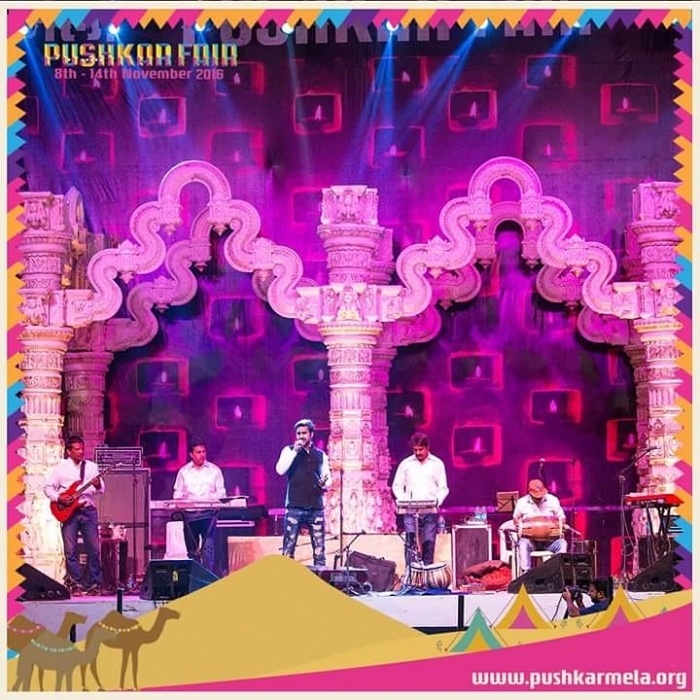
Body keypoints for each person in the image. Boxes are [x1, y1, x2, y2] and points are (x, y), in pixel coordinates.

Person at [43, 435, 104, 596]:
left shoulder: (91, 467)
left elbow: (101, 489)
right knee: (70, 550)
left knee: (93, 549)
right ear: (69, 451)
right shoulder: (60, 468)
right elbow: (48, 488)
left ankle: (95, 584)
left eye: (82, 449)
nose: (81, 452)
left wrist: (98, 484)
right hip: (69, 512)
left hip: (88, 511)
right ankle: (76, 584)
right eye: (77, 449)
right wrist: (59, 498)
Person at [275, 418, 331, 566]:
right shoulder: (288, 451)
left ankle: (319, 579)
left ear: (311, 434)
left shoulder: (320, 455)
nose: (301, 436)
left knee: (319, 552)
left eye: (304, 433)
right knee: (288, 551)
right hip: (294, 507)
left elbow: (328, 478)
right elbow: (280, 470)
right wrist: (295, 451)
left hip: (315, 508)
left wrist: (324, 483)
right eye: (298, 433)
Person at [391, 432, 449, 567]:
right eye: (415, 450)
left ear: (427, 447)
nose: (418, 453)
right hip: (410, 511)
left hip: (430, 511)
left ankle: (427, 574)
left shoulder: (437, 464)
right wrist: (404, 501)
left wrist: (436, 501)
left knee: (428, 544)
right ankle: (411, 575)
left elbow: (443, 488)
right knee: (410, 543)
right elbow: (397, 486)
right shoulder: (406, 464)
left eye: (420, 449)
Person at [173, 438, 226, 573]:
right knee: (192, 549)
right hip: (190, 515)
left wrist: (208, 499)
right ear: (191, 454)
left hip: (208, 514)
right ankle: (195, 576)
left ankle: (207, 577)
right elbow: (177, 495)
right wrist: (184, 500)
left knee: (208, 547)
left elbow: (222, 493)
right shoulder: (184, 472)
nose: (202, 455)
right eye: (198, 452)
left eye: (203, 451)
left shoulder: (214, 471)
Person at [512, 478, 567, 574]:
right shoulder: (522, 502)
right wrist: (518, 525)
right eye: (536, 496)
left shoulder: (553, 500)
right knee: (523, 543)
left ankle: (558, 573)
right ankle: (526, 575)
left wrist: (560, 525)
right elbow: (516, 518)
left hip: (549, 541)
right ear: (529, 491)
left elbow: (562, 517)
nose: (539, 498)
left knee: (562, 544)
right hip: (531, 541)